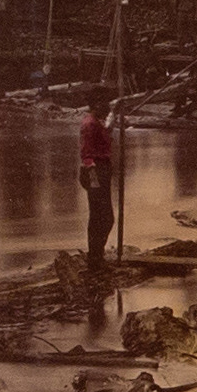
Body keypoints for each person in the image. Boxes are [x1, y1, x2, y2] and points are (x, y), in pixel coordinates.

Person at [79, 91, 114, 269]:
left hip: (102, 170)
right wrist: (93, 179)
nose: (106, 107)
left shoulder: (96, 122)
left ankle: (97, 255)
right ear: (95, 104)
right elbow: (86, 154)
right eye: (103, 103)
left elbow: (105, 133)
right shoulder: (89, 123)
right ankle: (95, 257)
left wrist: (114, 115)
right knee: (101, 216)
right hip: (95, 171)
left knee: (104, 217)